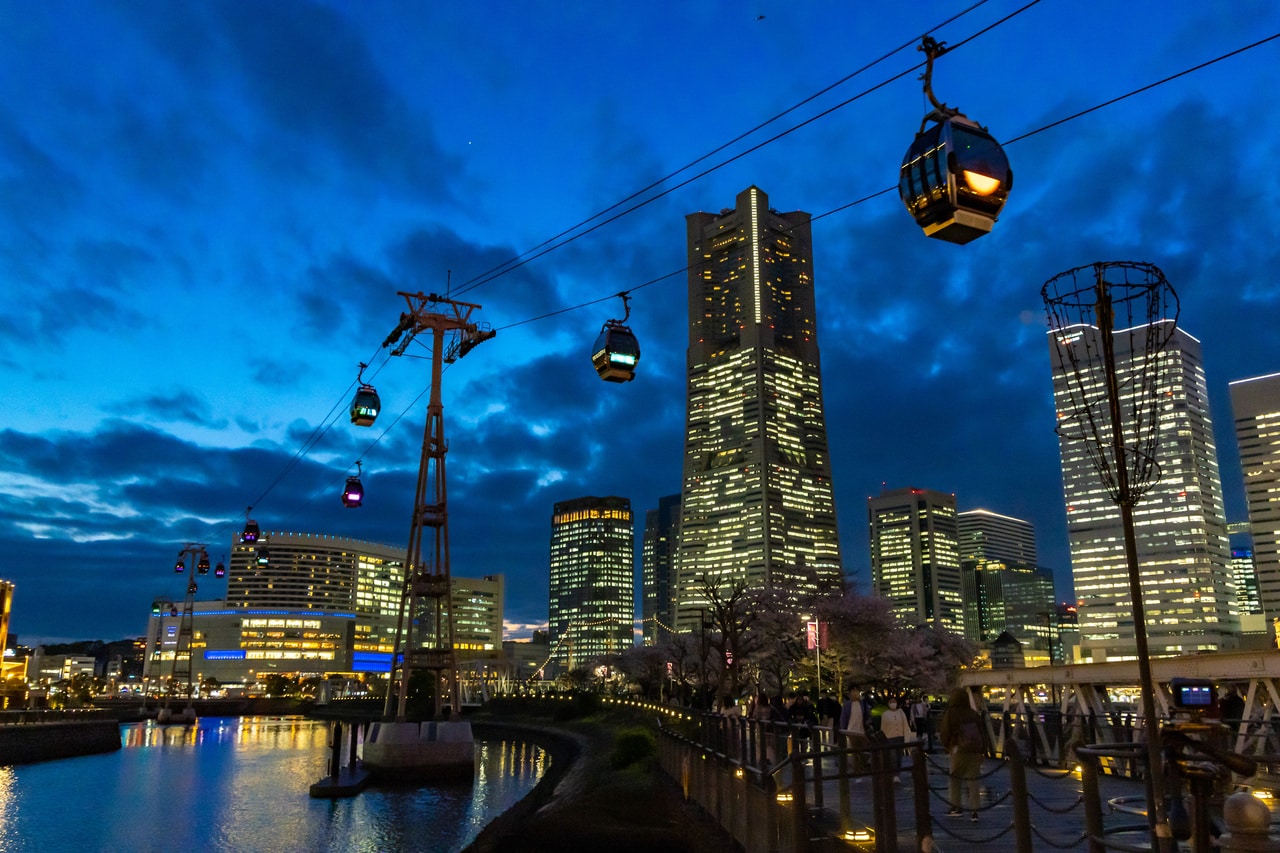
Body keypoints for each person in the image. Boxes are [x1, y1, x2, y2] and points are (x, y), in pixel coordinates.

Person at [939, 687, 984, 822]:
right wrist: (982, 751)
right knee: (973, 780)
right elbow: (982, 732)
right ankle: (975, 810)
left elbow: (945, 732)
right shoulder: (973, 713)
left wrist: (948, 746)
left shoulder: (951, 713)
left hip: (959, 749)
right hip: (975, 750)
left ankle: (956, 807)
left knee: (955, 777)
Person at [879, 694, 912, 784]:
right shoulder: (885, 714)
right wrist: (883, 741)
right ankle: (894, 775)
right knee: (893, 756)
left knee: (899, 757)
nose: (893, 703)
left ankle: (897, 773)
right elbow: (883, 728)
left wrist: (907, 739)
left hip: (900, 737)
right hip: (890, 738)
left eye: (894, 702)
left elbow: (905, 726)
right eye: (891, 702)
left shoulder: (901, 712)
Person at [838, 684, 869, 776]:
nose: (855, 693)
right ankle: (857, 771)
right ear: (850, 693)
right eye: (853, 691)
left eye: (857, 691)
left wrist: (868, 722)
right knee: (855, 752)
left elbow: (868, 715)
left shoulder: (863, 704)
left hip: (862, 731)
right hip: (851, 731)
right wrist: (844, 730)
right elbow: (843, 718)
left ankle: (862, 768)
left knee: (864, 751)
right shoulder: (847, 705)